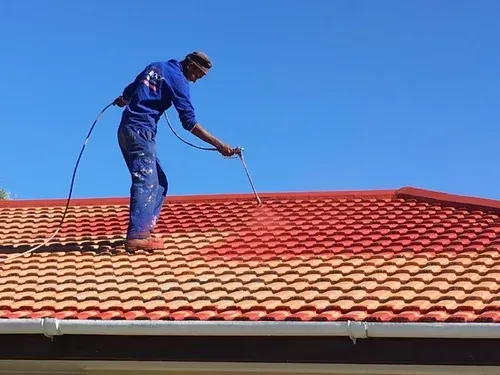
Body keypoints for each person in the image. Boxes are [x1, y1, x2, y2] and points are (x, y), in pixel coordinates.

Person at [113, 51, 238, 252]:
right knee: (146, 180)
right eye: (197, 74)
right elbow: (189, 122)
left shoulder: (155, 66)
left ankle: (145, 229)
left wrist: (122, 100)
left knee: (160, 182)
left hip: (126, 129)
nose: (196, 80)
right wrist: (219, 145)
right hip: (141, 130)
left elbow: (129, 92)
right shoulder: (178, 80)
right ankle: (138, 235)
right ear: (189, 65)